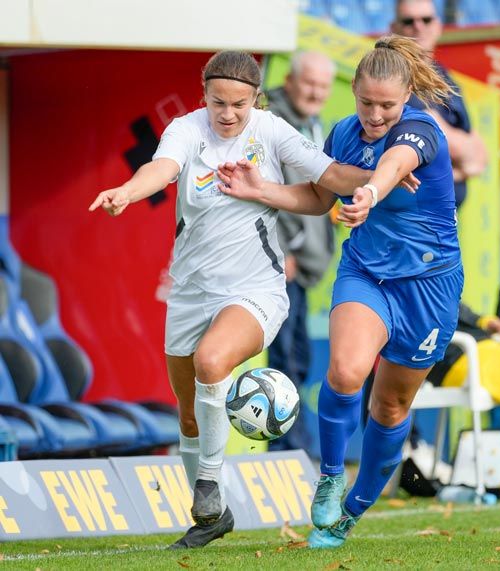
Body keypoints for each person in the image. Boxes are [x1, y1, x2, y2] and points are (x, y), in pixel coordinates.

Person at [88, 50, 408, 549]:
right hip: (190, 290)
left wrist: (380, 178)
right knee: (189, 415)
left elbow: (329, 176)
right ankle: (209, 516)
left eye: (239, 103)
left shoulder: (272, 130)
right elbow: (162, 167)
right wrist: (128, 191)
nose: (228, 114)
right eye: (218, 102)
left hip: (256, 288)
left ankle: (211, 486)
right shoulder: (187, 129)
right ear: (204, 96)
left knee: (212, 361)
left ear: (255, 99)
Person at [216, 36, 463, 549]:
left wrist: (371, 190)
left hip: (430, 286)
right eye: (366, 102)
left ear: (408, 96)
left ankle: (352, 511)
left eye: (387, 105)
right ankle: (330, 474)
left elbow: (395, 164)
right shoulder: (343, 133)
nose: (375, 115)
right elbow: (316, 194)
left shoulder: (422, 130)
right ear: (352, 93)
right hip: (366, 271)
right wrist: (260, 189)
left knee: (391, 406)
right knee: (347, 371)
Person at [266, 51, 337, 450]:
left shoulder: (310, 122)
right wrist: (280, 249)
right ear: (290, 80)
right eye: (309, 83)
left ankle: (295, 446)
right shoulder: (271, 122)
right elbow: (265, 188)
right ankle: (289, 450)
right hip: (280, 263)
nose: (315, 92)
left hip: (302, 267)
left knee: (299, 357)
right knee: (285, 360)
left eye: (323, 86)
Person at [391, 0, 486, 208]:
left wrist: (448, 136)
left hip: (440, 223)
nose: (419, 26)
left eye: (426, 19)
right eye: (409, 21)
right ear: (394, 29)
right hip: (410, 219)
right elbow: (439, 141)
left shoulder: (445, 77)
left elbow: (480, 157)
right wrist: (463, 167)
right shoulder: (394, 78)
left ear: (438, 25)